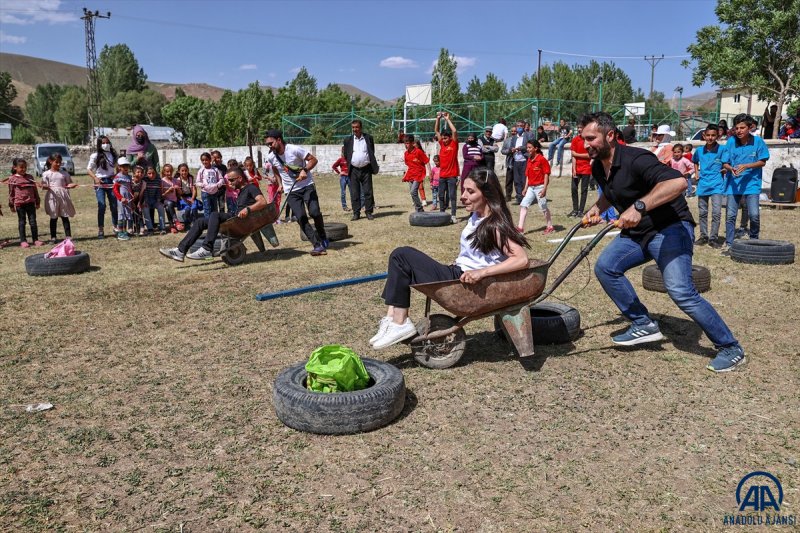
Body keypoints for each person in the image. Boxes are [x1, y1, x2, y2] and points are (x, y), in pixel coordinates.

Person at [579, 111, 746, 373]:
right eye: (583, 138)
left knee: (680, 290)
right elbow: (612, 194)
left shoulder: (637, 158)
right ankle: (643, 324)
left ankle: (730, 348)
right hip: (639, 234)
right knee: (606, 267)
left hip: (670, 228)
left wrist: (640, 206)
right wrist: (596, 208)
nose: (585, 144)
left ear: (609, 135)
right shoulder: (598, 166)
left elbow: (678, 182)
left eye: (591, 138)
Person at [369, 168, 530, 349]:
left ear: (486, 194)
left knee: (401, 256)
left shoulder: (494, 225)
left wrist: (482, 272)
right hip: (458, 273)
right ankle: (392, 319)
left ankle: (399, 322)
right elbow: (477, 254)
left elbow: (521, 259)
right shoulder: (476, 216)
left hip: (464, 282)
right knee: (400, 261)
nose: (463, 196)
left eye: (470, 191)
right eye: (463, 190)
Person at [160, 168, 268, 262]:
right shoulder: (241, 191)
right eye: (228, 180)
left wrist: (248, 209)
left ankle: (207, 248)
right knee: (200, 222)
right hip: (236, 218)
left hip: (241, 221)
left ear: (240, 178)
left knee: (215, 215)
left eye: (231, 180)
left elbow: (262, 202)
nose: (229, 183)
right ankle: (180, 251)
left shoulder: (251, 188)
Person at [265, 129, 328, 256]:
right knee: (301, 217)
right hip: (291, 191)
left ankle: (322, 235)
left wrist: (305, 170)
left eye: (271, 143)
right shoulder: (271, 157)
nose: (269, 146)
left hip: (307, 186)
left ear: (279, 140)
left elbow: (313, 160)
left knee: (314, 213)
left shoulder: (294, 149)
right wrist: (280, 184)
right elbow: (276, 170)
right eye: (268, 144)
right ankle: (317, 245)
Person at [721, 113, 770, 255]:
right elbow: (725, 162)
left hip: (752, 185)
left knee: (754, 215)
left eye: (742, 127)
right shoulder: (731, 142)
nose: (739, 131)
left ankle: (754, 240)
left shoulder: (758, 142)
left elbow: (762, 161)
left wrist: (746, 166)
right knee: (730, 215)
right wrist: (731, 168)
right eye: (736, 128)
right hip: (733, 185)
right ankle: (729, 244)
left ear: (750, 128)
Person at [692, 124, 726, 248]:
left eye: (713, 135)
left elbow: (727, 163)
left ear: (718, 136)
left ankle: (713, 238)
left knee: (716, 212)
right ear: (704, 136)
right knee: (702, 212)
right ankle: (703, 236)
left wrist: (725, 169)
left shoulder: (722, 150)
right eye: (708, 135)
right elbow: (695, 161)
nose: (710, 138)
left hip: (717, 185)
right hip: (703, 185)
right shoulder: (700, 150)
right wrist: (696, 173)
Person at [343, 119, 380, 221]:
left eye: (357, 127)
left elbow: (371, 152)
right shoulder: (348, 140)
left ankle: (368, 212)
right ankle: (356, 213)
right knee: (354, 192)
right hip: (354, 170)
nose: (355, 129)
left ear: (361, 128)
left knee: (368, 191)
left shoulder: (368, 138)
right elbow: (347, 155)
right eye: (353, 127)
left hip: (366, 169)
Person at [516, 140, 553, 235]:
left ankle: (550, 226)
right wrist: (525, 188)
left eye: (530, 147)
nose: (528, 149)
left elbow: (546, 175)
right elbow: (528, 175)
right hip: (531, 188)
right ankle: (520, 228)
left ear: (536, 148)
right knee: (524, 205)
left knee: (543, 207)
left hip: (540, 187)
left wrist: (544, 189)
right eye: (527, 147)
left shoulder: (541, 159)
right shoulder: (529, 159)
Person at [40, 153, 77, 243]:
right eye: (56, 162)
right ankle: (53, 237)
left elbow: (68, 183)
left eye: (60, 162)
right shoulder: (46, 174)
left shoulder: (64, 173)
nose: (59, 164)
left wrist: (72, 185)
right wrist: (43, 186)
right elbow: (44, 185)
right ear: (50, 161)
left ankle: (68, 236)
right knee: (54, 217)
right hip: (52, 197)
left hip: (63, 197)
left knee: (65, 216)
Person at [87, 135, 118, 239]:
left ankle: (116, 227)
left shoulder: (113, 154)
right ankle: (101, 229)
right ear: (100, 144)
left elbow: (117, 167)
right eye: (103, 143)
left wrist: (116, 175)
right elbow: (89, 169)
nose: (106, 144)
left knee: (114, 205)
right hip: (100, 181)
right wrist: (95, 178)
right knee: (102, 206)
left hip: (111, 181)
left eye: (107, 142)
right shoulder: (95, 155)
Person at [8, 158, 42, 247]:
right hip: (20, 204)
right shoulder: (12, 179)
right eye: (21, 167)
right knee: (22, 222)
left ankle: (36, 239)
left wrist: (37, 201)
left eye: (25, 167)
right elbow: (11, 192)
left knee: (33, 222)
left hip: (31, 203)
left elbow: (35, 190)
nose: (23, 169)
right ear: (15, 167)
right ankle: (23, 241)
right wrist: (11, 204)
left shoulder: (30, 177)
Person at [434, 112, 460, 223]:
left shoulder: (454, 144)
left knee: (452, 196)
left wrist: (447, 119)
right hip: (442, 175)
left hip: (452, 175)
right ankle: (442, 213)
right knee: (440, 195)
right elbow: (436, 131)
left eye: (446, 138)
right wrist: (438, 118)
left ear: (450, 138)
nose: (444, 140)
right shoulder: (442, 145)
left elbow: (454, 131)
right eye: (443, 138)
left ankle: (453, 215)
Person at [501, 121, 534, 204]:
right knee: (516, 180)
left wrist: (520, 148)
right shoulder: (514, 137)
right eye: (518, 126)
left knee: (524, 180)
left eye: (521, 126)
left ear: (524, 126)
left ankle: (526, 197)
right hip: (515, 161)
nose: (519, 127)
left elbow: (530, 146)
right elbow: (512, 146)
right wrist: (512, 149)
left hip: (525, 160)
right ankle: (519, 198)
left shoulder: (529, 135)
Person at [402, 134, 430, 212]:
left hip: (419, 174)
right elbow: (408, 166)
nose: (406, 145)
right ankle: (418, 210)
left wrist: (430, 173)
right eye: (405, 143)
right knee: (412, 193)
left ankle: (419, 208)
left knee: (413, 191)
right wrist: (405, 175)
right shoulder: (406, 154)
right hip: (411, 175)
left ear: (412, 143)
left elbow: (427, 161)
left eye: (407, 143)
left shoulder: (418, 152)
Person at [569, 123, 592, 217]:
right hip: (577, 169)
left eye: (581, 128)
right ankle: (575, 209)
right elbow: (573, 156)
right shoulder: (575, 140)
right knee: (573, 189)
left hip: (586, 169)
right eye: (578, 127)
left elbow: (589, 155)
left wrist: (576, 154)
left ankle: (581, 211)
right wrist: (574, 169)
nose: (579, 129)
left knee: (584, 189)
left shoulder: (589, 140)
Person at [196, 152, 224, 219]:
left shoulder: (215, 169)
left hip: (214, 193)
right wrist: (203, 185)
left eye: (206, 160)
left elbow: (221, 179)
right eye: (203, 160)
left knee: (214, 209)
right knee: (207, 209)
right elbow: (197, 182)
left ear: (210, 160)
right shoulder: (201, 171)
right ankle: (208, 224)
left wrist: (217, 185)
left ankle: (215, 222)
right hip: (205, 193)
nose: (204, 161)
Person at [112, 157, 134, 241]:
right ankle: (120, 233)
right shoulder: (118, 177)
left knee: (128, 213)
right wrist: (121, 198)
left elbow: (130, 188)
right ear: (119, 167)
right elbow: (115, 189)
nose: (125, 167)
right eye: (123, 166)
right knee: (121, 214)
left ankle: (126, 231)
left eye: (127, 166)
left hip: (128, 198)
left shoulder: (129, 177)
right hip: (121, 199)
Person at [142, 166, 166, 235]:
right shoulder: (144, 180)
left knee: (161, 207)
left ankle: (162, 228)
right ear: (146, 174)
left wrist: (158, 200)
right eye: (149, 173)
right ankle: (150, 228)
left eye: (153, 173)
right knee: (145, 209)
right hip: (147, 199)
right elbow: (145, 191)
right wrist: (146, 201)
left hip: (155, 199)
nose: (151, 175)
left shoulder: (158, 180)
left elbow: (158, 190)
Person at [176, 163, 197, 228]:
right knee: (187, 209)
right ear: (179, 171)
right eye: (182, 171)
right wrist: (185, 200)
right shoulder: (178, 180)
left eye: (186, 170)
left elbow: (194, 189)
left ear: (188, 171)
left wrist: (192, 199)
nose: (184, 172)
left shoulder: (190, 178)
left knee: (194, 207)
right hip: (182, 197)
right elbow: (179, 193)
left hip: (191, 197)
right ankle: (186, 222)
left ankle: (195, 222)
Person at [161, 164, 180, 233]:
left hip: (174, 200)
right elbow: (161, 196)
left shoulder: (175, 180)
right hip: (165, 201)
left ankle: (172, 226)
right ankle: (176, 221)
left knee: (168, 207)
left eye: (170, 171)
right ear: (164, 172)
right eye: (167, 171)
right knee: (169, 204)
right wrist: (168, 191)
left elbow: (180, 193)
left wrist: (178, 189)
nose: (169, 173)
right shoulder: (162, 181)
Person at [331, 147, 351, 211]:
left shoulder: (350, 159)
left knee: (352, 192)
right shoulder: (340, 159)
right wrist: (339, 172)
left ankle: (355, 205)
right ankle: (344, 206)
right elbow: (334, 166)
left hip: (350, 177)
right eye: (343, 151)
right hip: (343, 177)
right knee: (343, 192)